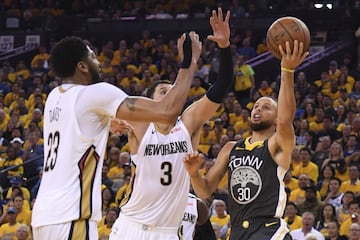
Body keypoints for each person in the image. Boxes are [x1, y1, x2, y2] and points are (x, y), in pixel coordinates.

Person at [31, 30, 202, 239]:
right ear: (82, 66)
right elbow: (166, 113)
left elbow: (78, 126)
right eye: (92, 56)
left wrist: (107, 122)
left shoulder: (54, 98)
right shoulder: (95, 93)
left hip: (43, 216)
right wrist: (189, 63)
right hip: (71, 215)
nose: (99, 62)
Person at [109, 7, 233, 240]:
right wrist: (109, 125)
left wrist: (224, 47)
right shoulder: (141, 123)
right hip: (131, 224)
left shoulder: (188, 122)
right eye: (163, 92)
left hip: (167, 231)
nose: (170, 97)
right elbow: (104, 112)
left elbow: (222, 85)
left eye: (172, 91)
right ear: (149, 101)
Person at [184, 40, 308, 239]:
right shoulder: (231, 148)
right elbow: (205, 192)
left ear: (276, 118)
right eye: (256, 105)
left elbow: (286, 119)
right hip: (238, 230)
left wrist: (287, 70)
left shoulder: (277, 146)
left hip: (268, 228)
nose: (258, 109)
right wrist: (193, 174)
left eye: (266, 107)